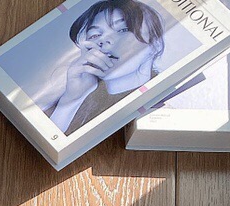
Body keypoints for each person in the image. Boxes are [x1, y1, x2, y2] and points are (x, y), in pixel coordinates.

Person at [43, 0, 166, 133]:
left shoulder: (161, 99)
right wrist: (72, 98)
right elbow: (48, 136)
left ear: (155, 44)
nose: (102, 41)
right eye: (95, 35)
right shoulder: (80, 102)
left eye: (123, 30)